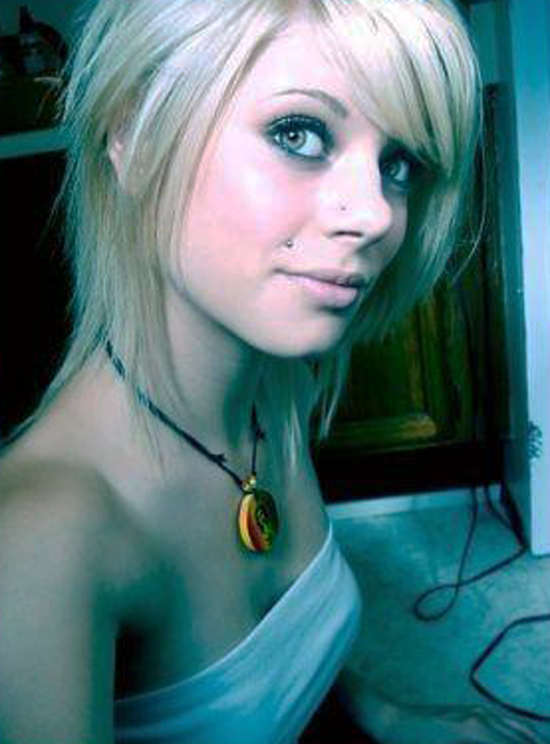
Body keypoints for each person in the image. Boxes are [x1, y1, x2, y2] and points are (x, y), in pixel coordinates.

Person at [0, 0, 481, 741]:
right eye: (299, 134)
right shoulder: (39, 542)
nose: (378, 215)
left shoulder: (276, 388)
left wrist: (387, 714)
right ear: (134, 137)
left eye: (399, 165)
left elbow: (287, 644)